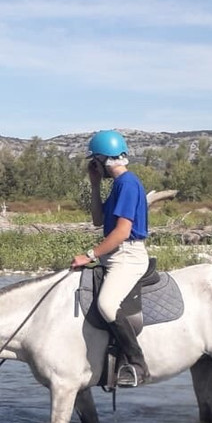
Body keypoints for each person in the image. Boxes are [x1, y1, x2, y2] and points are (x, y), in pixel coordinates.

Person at [71, 129, 151, 386]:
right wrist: (94, 186)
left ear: (102, 159)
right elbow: (98, 220)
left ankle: (137, 363)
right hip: (115, 254)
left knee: (107, 304)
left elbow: (122, 231)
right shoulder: (117, 185)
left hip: (127, 255)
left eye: (94, 162)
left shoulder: (128, 184)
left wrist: (89, 254)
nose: (94, 167)